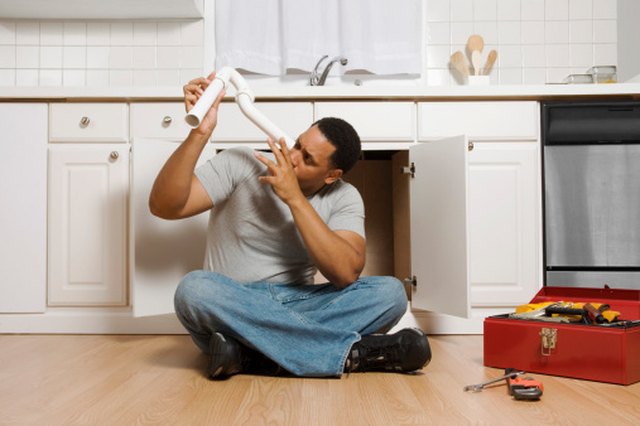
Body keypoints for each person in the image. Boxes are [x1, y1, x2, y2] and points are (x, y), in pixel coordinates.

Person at [149, 71, 431, 379]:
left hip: (298, 302)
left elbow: (345, 273)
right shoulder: (243, 162)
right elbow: (164, 206)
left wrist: (294, 198)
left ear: (331, 176)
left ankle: (247, 356)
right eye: (297, 145)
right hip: (234, 301)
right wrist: (199, 135)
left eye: (307, 158)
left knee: (390, 293)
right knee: (193, 289)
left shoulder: (344, 197)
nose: (292, 157)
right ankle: (353, 355)